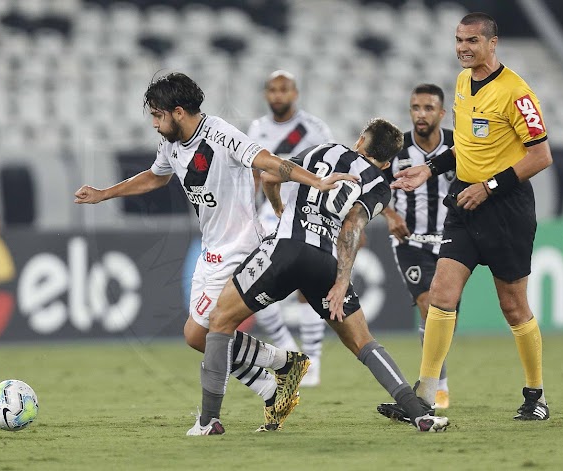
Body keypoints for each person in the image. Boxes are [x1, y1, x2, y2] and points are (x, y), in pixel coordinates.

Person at [74, 72, 345, 432]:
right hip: (212, 250)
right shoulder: (172, 143)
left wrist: (316, 181)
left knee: (208, 332)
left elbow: (267, 161)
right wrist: (104, 193)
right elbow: (157, 176)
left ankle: (214, 417)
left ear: (179, 111)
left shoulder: (220, 134)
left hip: (241, 248)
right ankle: (276, 375)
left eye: (158, 115)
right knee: (196, 336)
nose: (155, 123)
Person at [188, 118, 450, 435]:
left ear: (361, 140)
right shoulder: (380, 186)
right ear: (388, 160)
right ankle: (419, 415)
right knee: (363, 342)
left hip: (284, 252)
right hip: (324, 262)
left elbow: (270, 176)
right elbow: (353, 225)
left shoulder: (323, 149)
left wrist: (281, 210)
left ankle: (209, 421)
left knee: (219, 322)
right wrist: (341, 281)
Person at [378, 12, 553, 423]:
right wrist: (430, 169)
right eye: (458, 40)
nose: (463, 47)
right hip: (464, 202)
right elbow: (467, 148)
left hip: (505, 208)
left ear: (493, 43)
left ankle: (535, 395)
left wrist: (489, 186)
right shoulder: (461, 82)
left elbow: (540, 156)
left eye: (472, 41)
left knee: (513, 305)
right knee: (441, 294)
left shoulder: (517, 93)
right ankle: (422, 395)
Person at [247, 70, 334, 387]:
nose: (278, 95)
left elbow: (330, 169)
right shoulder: (257, 128)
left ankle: (314, 361)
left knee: (306, 289)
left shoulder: (313, 128)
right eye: (272, 89)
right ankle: (288, 348)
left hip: (305, 213)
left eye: (284, 89)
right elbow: (253, 174)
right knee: (257, 283)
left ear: (295, 93)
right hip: (268, 214)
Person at [381, 84, 455, 409]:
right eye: (415, 107)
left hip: (451, 241)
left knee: (443, 314)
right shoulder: (396, 150)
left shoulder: (457, 145)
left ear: (441, 113)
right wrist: (389, 213)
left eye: (428, 108)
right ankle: (437, 386)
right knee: (428, 304)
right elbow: (375, 188)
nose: (420, 114)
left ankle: (435, 381)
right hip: (409, 242)